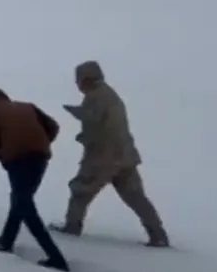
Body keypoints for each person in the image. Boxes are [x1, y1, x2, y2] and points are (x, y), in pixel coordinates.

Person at [52, 61, 169, 247]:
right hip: (125, 157)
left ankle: (71, 227)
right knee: (136, 198)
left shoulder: (95, 97)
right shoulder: (110, 95)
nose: (78, 85)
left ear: (85, 79)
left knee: (80, 192)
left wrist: (79, 119)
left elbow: (94, 123)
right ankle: (158, 235)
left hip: (102, 158)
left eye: (79, 81)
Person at [0, 86, 69, 272]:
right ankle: (5, 242)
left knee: (25, 206)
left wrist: (0, 151)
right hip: (40, 157)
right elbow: (54, 127)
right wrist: (39, 142)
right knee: (19, 200)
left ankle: (56, 258)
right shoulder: (27, 106)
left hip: (17, 159)